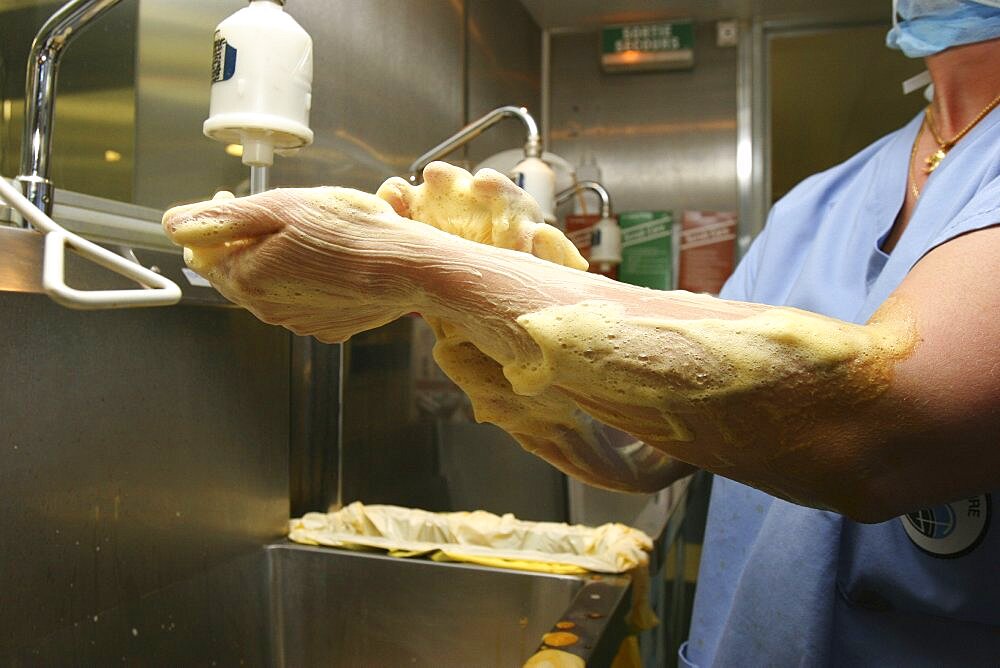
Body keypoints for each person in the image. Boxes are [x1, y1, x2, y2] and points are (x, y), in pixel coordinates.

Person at [162, 1, 1000, 663]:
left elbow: (876, 431)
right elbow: (652, 450)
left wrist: (422, 268)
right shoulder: (817, 204)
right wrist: (492, 298)